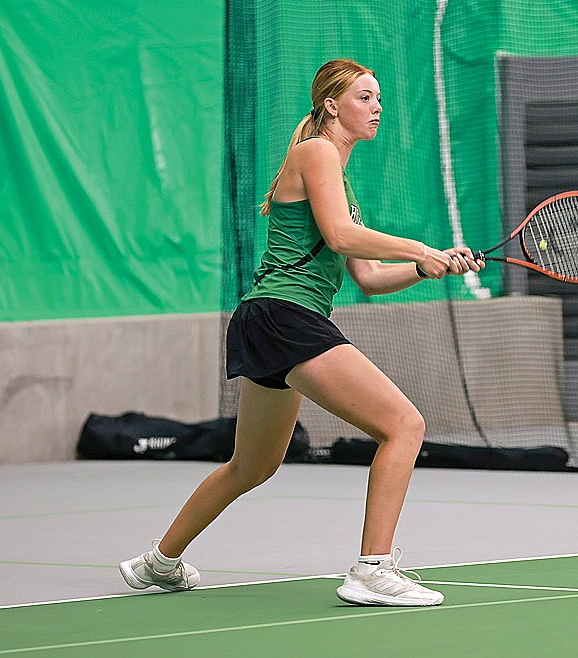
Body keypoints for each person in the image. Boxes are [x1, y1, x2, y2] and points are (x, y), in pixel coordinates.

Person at [119, 58, 484, 607]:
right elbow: (338, 236)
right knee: (404, 425)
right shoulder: (315, 152)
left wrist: (429, 267)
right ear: (332, 105)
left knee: (253, 465)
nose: (377, 106)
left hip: (268, 319)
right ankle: (373, 568)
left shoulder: (343, 180)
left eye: (379, 97)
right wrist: (420, 247)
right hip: (284, 316)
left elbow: (367, 276)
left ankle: (157, 562)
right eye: (364, 97)